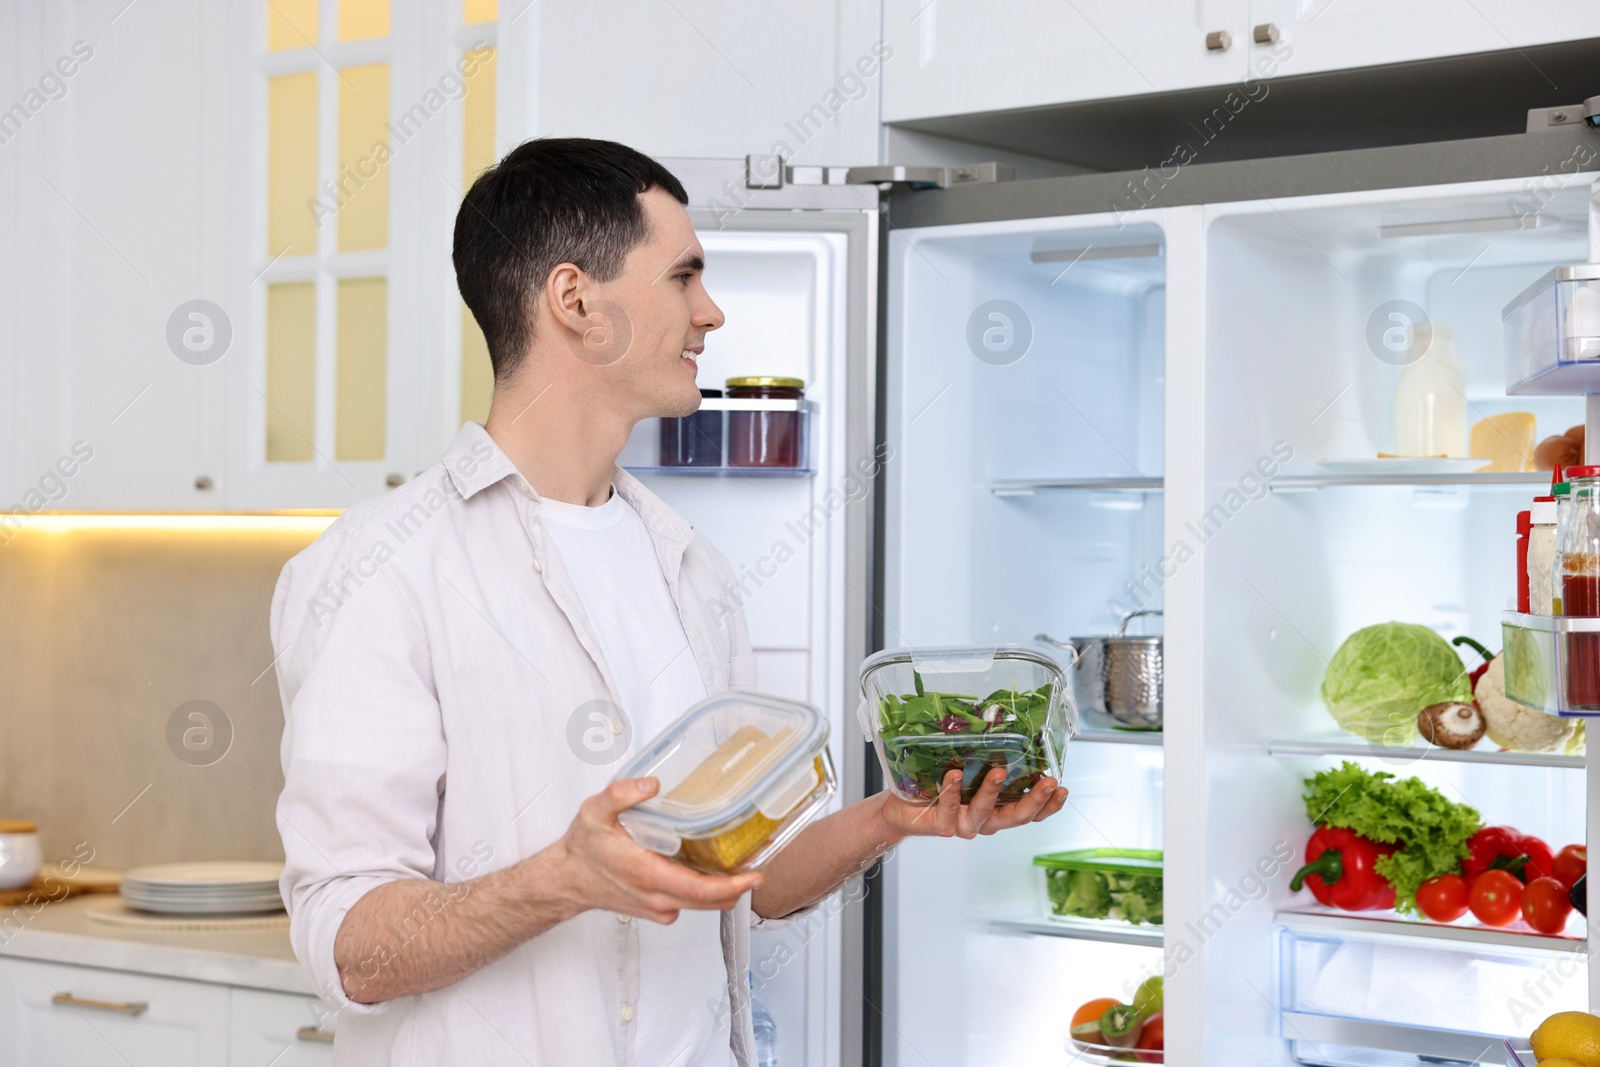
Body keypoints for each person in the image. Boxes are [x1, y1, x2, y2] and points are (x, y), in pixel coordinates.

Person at [270, 137, 1070, 1067]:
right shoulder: (380, 568)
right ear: (577, 303)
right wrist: (563, 879)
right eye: (685, 277)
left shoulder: (689, 566)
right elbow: (350, 943)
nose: (711, 311)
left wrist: (893, 816)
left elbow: (746, 877)